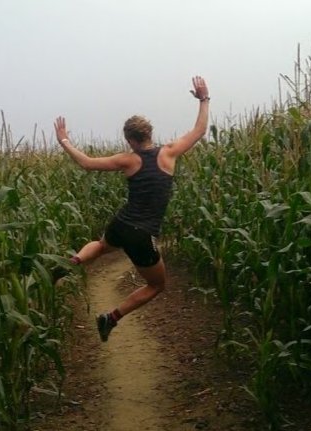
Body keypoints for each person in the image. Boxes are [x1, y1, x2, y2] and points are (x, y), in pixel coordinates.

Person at [54, 76, 210, 342]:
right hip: (141, 233)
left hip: (122, 223)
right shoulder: (169, 153)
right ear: (150, 134)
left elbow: (87, 163)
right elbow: (199, 131)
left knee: (102, 246)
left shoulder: (127, 160)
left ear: (129, 138)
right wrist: (204, 99)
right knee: (156, 285)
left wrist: (65, 141)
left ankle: (70, 263)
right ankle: (110, 318)